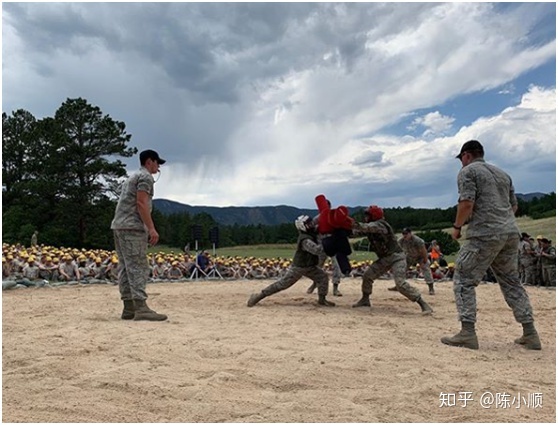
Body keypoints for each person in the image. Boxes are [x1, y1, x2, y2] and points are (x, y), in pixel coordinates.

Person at [441, 140, 541, 350]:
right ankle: (530, 333)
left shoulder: (468, 172)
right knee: (511, 281)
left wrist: (457, 226)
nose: (461, 163)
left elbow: (467, 202)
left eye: (461, 159)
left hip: (484, 233)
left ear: (466, 155)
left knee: (464, 278)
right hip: (510, 232)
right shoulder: (503, 174)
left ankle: (467, 332)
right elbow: (514, 205)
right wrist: (501, 221)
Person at [110, 149, 167, 321]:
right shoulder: (146, 177)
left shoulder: (131, 177)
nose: (158, 167)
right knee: (138, 266)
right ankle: (141, 307)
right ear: (149, 161)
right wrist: (151, 228)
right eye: (157, 163)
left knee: (126, 268)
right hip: (132, 227)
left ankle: (129, 307)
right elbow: (141, 203)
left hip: (119, 226)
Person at [351, 206, 434, 314]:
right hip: (385, 258)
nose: (365, 217)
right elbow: (356, 232)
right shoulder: (371, 227)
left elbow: (365, 227)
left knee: (400, 283)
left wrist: (350, 222)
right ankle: (365, 299)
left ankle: (423, 304)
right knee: (367, 276)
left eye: (367, 215)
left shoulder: (380, 224)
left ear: (374, 216)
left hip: (397, 257)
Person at [247, 215, 335, 307]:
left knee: (323, 278)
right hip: (299, 267)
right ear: (303, 226)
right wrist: (326, 242)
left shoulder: (310, 235)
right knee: (282, 284)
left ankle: (322, 300)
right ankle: (258, 296)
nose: (313, 225)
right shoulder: (305, 239)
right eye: (310, 224)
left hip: (310, 266)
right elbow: (317, 250)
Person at [397, 227, 436, 295]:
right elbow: (396, 248)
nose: (405, 235)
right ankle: (398, 284)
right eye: (403, 234)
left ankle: (431, 287)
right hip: (409, 256)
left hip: (420, 256)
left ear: (410, 233)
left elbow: (424, 250)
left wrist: (425, 260)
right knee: (402, 269)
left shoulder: (417, 240)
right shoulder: (401, 240)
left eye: (406, 233)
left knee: (426, 268)